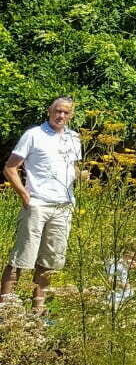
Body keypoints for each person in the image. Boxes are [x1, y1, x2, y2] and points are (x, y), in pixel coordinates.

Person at [1, 98, 85, 315]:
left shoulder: (74, 138)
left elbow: (71, 168)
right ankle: (5, 310)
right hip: (37, 204)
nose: (61, 116)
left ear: (71, 115)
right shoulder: (33, 135)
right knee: (21, 258)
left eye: (66, 113)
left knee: (49, 261)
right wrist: (24, 195)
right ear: (49, 111)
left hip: (63, 206)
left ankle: (38, 311)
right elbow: (10, 168)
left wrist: (83, 175)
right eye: (58, 111)